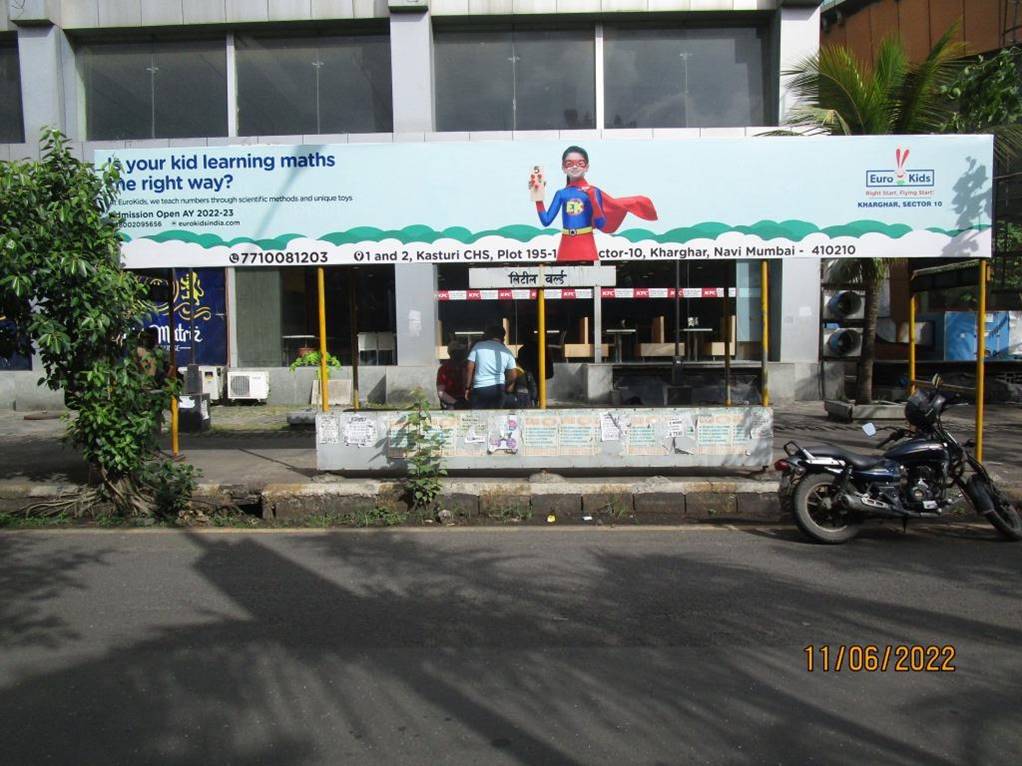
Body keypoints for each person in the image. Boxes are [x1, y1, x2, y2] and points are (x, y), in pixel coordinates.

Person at [529, 145, 658, 263]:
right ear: (563, 168)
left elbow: (601, 224)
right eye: (569, 163)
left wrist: (593, 200)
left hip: (587, 245)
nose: (575, 167)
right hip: (566, 246)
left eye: (580, 163)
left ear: (587, 167)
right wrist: (538, 197)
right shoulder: (561, 193)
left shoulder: (593, 191)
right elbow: (546, 221)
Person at [465, 325, 517, 409]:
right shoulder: (507, 351)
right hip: (498, 389)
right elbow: (513, 375)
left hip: (480, 388)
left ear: (489, 334)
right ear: (503, 337)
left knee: (478, 416)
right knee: (496, 415)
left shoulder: (478, 346)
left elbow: (469, 368)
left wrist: (467, 388)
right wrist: (505, 385)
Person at [436, 341, 469, 410]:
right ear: (453, 353)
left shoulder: (465, 367)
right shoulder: (444, 369)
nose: (463, 353)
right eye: (460, 351)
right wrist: (455, 403)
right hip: (451, 402)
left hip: (465, 400)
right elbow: (440, 392)